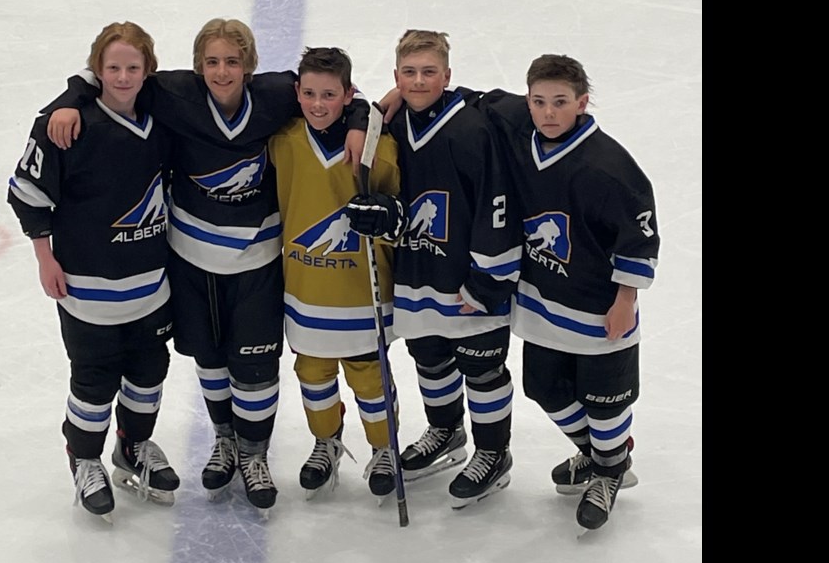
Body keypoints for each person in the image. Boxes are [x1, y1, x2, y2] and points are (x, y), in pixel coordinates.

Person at [42, 18, 370, 517]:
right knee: (211, 361)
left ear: (250, 66)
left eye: (232, 61)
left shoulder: (279, 93)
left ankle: (253, 453)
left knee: (256, 368)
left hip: (257, 263)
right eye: (212, 62)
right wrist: (65, 100)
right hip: (191, 263)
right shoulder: (174, 94)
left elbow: (341, 92)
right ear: (198, 67)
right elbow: (112, 79)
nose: (222, 71)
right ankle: (225, 440)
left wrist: (361, 120)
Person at [465, 54, 658, 530]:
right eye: (539, 101)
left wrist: (626, 299)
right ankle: (601, 456)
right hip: (542, 302)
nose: (548, 112)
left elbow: (639, 236)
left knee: (606, 400)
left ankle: (608, 473)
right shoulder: (520, 127)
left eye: (560, 102)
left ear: (582, 103)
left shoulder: (609, 166)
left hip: (598, 309)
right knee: (544, 388)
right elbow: (476, 101)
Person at [6, 21, 180, 522]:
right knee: (94, 381)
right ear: (97, 69)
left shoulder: (162, 116)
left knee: (149, 375)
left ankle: (133, 446)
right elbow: (28, 195)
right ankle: (84, 458)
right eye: (112, 67)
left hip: (151, 285)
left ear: (148, 69)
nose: (123, 77)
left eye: (132, 67)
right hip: (87, 288)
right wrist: (44, 256)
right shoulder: (66, 125)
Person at [347, 29, 522, 510]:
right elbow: (399, 197)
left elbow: (497, 204)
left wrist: (489, 279)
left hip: (468, 277)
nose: (419, 81)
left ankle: (493, 452)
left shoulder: (473, 128)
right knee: (430, 358)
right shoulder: (394, 127)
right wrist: (385, 216)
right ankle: (445, 431)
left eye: (429, 72)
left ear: (448, 75)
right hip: (418, 271)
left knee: (483, 369)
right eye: (409, 72)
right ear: (396, 76)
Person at [268, 46, 403, 503]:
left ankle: (384, 448)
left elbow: (401, 218)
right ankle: (325, 442)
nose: (318, 104)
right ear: (297, 93)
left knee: (370, 379)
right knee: (313, 374)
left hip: (361, 295)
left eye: (330, 94)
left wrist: (385, 215)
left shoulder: (376, 150)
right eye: (309, 94)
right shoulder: (282, 140)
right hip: (305, 291)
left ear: (348, 95)